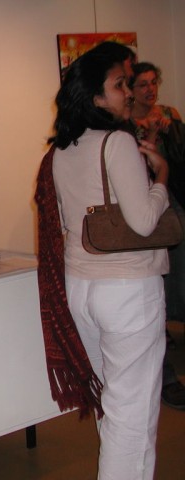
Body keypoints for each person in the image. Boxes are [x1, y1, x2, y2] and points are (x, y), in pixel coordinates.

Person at [36, 42, 169, 479]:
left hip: (82, 288)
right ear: (95, 96)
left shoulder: (61, 150)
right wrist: (161, 178)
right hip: (128, 292)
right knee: (132, 415)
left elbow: (65, 221)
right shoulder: (117, 142)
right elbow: (144, 222)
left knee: (112, 405)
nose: (128, 92)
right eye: (119, 85)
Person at [130, 61, 185, 410]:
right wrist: (150, 134)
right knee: (160, 283)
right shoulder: (125, 126)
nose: (150, 90)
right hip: (150, 206)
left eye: (154, 82)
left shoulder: (169, 114)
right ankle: (165, 370)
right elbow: (141, 171)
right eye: (143, 84)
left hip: (174, 197)